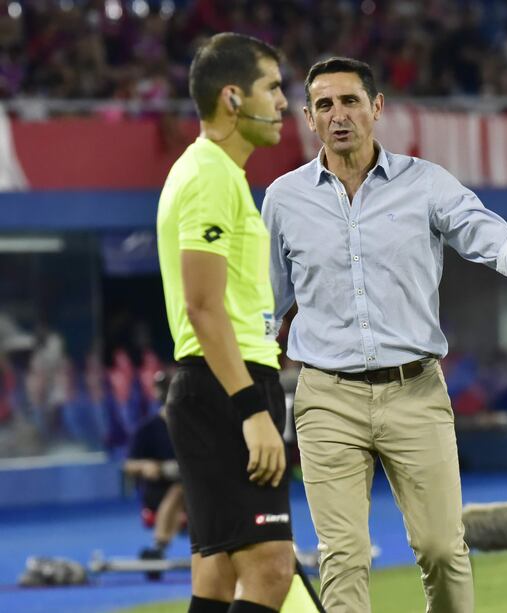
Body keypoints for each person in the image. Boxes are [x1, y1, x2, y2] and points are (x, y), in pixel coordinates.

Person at [261, 56, 507, 613]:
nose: (339, 114)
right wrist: (250, 403)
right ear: (308, 117)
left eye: (350, 100)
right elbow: (264, 308)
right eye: (324, 105)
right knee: (344, 555)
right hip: (326, 397)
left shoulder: (426, 184)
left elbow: (504, 246)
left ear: (376, 107)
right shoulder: (283, 199)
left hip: (415, 392)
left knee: (441, 551)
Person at [157, 33, 296, 613]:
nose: (285, 102)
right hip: (225, 388)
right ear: (233, 99)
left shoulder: (214, 173)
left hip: (217, 381)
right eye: (273, 87)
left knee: (216, 573)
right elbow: (203, 306)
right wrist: (252, 412)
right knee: (269, 569)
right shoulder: (211, 174)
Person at [123, 370, 186, 566]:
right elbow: (128, 464)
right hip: (159, 491)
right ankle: (160, 545)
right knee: (179, 490)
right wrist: (147, 466)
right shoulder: (148, 429)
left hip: (196, 488)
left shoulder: (194, 426)